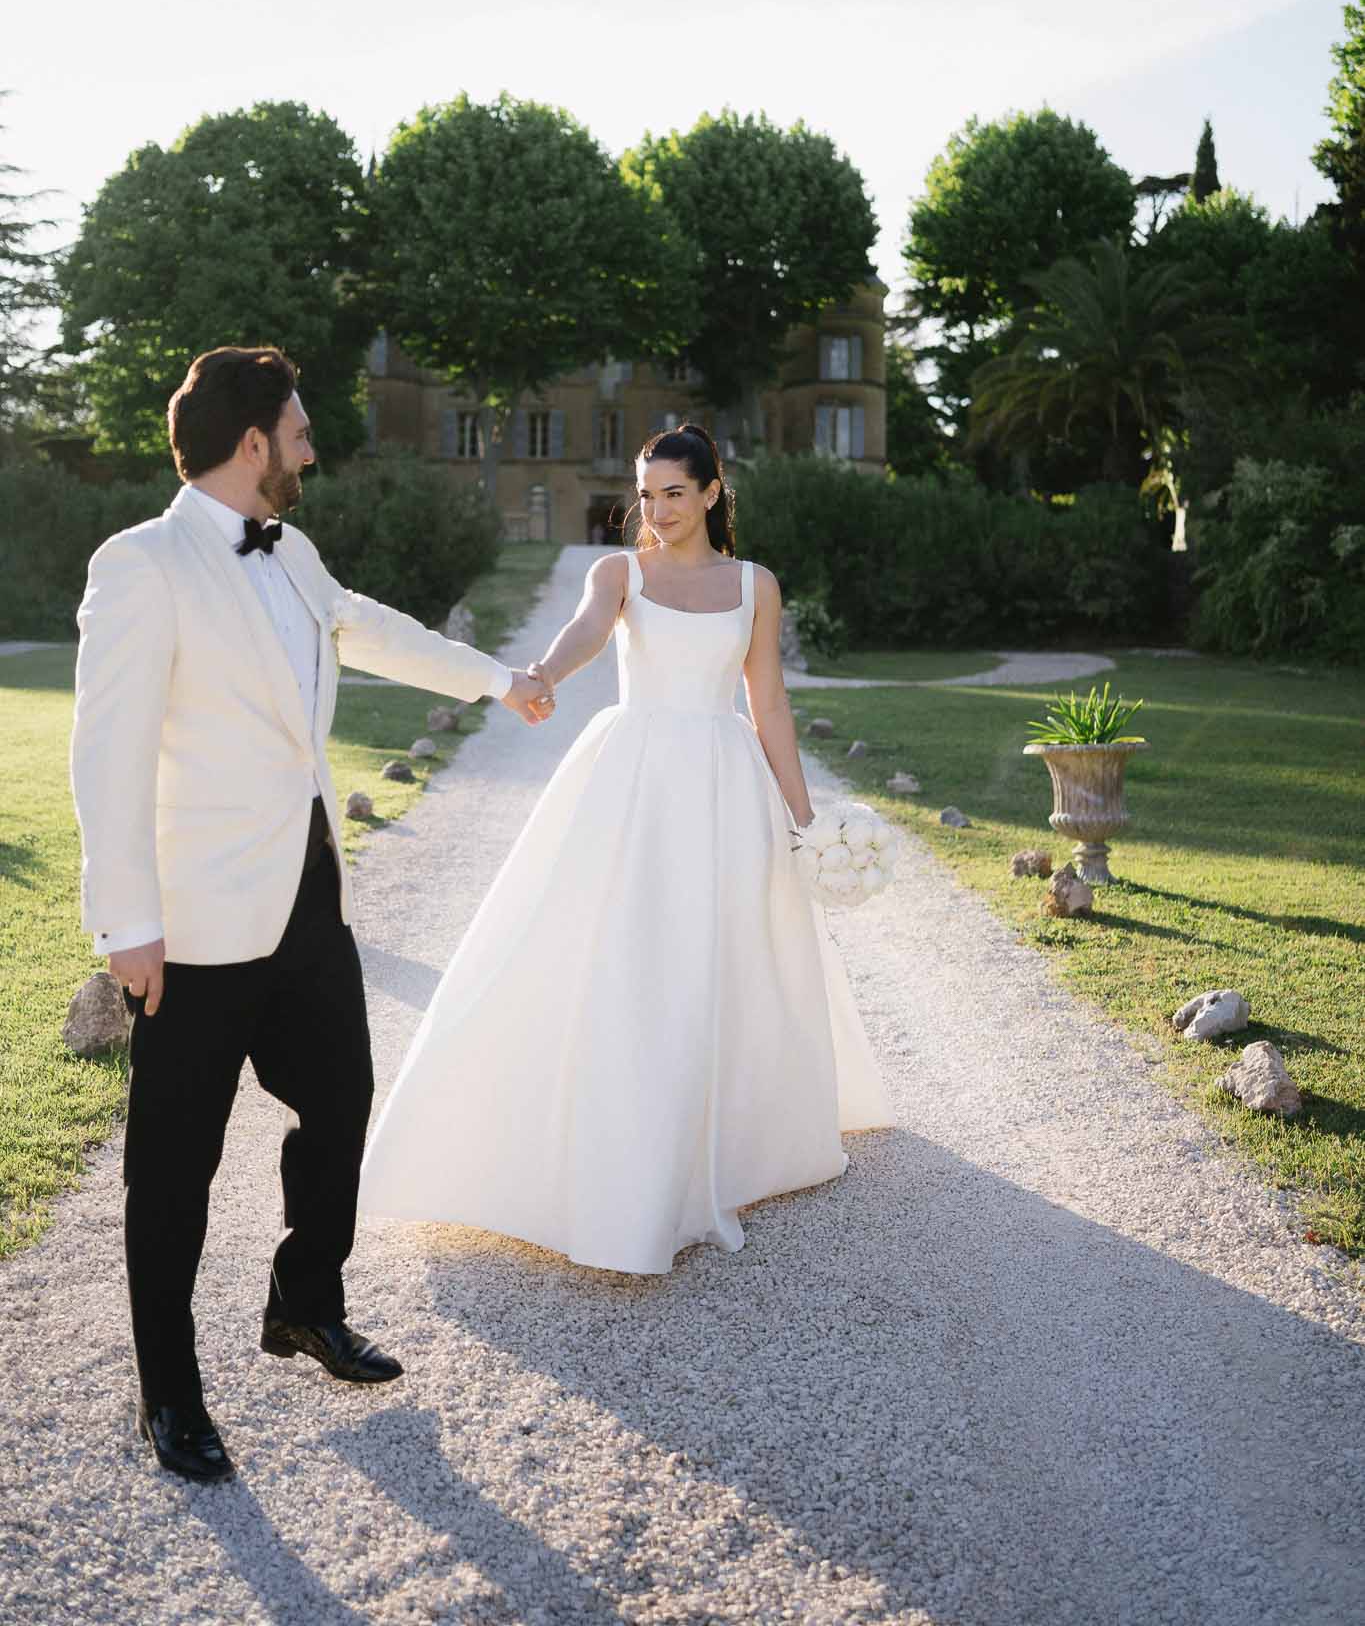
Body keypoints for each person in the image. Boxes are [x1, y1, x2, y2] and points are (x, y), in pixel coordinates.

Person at [69, 345, 555, 1484]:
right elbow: (106, 753)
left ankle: (304, 1294)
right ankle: (168, 1389)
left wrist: (497, 678)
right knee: (172, 1169)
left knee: (341, 1099)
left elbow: (372, 627)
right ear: (252, 446)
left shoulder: (291, 553)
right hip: (189, 924)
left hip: (305, 900)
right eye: (297, 430)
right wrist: (125, 921)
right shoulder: (140, 564)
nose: (311, 447)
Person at [358, 422, 891, 1274]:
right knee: (624, 947)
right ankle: (612, 1142)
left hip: (723, 781)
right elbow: (585, 632)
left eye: (675, 493)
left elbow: (770, 708)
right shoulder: (621, 573)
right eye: (645, 495)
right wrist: (538, 680)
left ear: (713, 492)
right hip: (634, 777)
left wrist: (802, 822)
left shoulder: (754, 585)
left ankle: (720, 1138)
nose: (658, 509)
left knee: (719, 953)